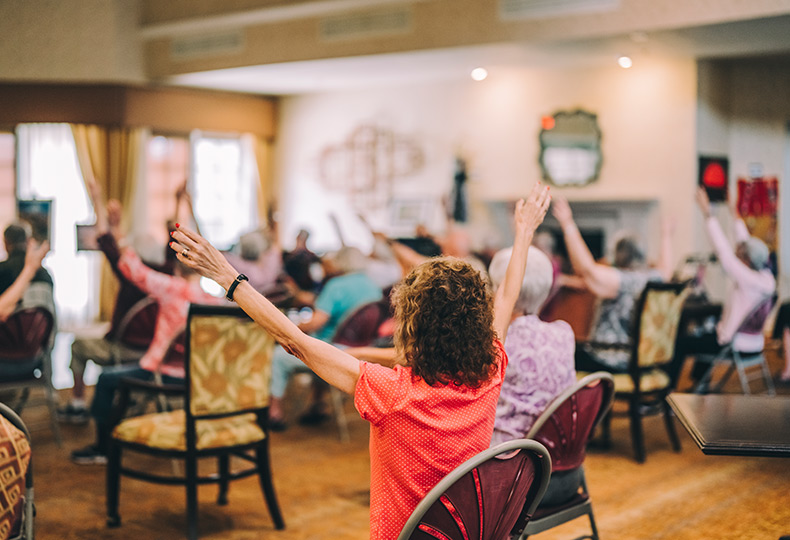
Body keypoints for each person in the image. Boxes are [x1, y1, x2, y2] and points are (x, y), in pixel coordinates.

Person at [169, 182, 551, 540]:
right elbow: (506, 295)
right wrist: (524, 231)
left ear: (413, 323)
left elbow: (294, 340)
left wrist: (225, 275)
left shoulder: (392, 393)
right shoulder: (491, 368)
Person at [70, 218, 224, 465]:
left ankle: (102, 448)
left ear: (177, 266)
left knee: (105, 379)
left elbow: (133, 269)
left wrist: (119, 232)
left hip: (160, 372)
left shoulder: (171, 288)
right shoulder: (215, 303)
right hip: (199, 378)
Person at [487, 245, 578, 507]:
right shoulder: (564, 334)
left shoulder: (496, 346)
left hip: (513, 481)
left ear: (498, 289)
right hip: (567, 473)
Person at [551, 196, 673, 373]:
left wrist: (567, 224)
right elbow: (666, 269)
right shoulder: (653, 278)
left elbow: (587, 270)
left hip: (610, 358)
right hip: (641, 359)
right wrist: (666, 235)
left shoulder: (623, 281)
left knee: (559, 351)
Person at [268, 246, 383, 430]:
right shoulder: (372, 286)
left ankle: (274, 413)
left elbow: (316, 323)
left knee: (278, 356)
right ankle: (317, 404)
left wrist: (291, 327)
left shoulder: (336, 285)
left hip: (334, 351)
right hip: (361, 351)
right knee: (318, 347)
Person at [684, 187, 776, 387]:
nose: (737, 253)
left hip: (735, 345)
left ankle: (671, 395)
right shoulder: (765, 277)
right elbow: (744, 243)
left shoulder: (747, 278)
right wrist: (734, 210)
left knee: (683, 342)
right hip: (755, 344)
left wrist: (708, 213)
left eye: (740, 254)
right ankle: (700, 387)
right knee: (706, 331)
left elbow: (724, 252)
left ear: (745, 260)